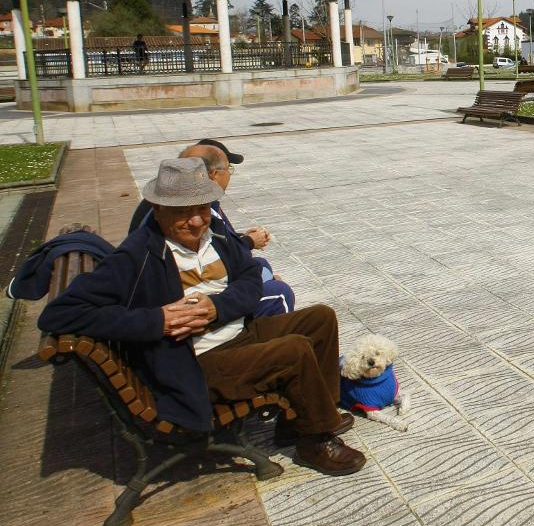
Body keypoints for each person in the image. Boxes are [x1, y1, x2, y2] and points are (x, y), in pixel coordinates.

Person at [39, 158, 364, 475]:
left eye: (202, 209)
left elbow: (250, 274)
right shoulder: (137, 256)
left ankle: (305, 419)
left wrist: (218, 307)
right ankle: (315, 440)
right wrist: (157, 321)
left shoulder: (216, 236)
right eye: (183, 212)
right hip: (193, 363)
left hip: (236, 336)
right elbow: (61, 313)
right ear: (158, 209)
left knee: (320, 318)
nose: (196, 221)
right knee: (294, 350)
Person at [129, 139, 293, 317]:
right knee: (280, 292)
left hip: (207, 296)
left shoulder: (165, 206)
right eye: (228, 169)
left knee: (261, 267)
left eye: (202, 209)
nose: (196, 221)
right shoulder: (142, 247)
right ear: (214, 174)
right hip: (199, 310)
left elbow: (225, 251)